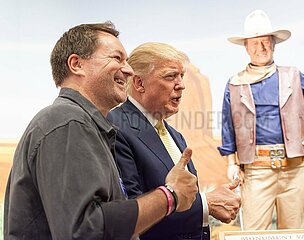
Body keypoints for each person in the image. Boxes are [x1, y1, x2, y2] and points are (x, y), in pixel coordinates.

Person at [3, 22, 199, 240]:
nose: (128, 69)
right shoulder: (68, 122)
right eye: (117, 58)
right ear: (76, 64)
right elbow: (85, 230)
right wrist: (169, 196)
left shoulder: (82, 124)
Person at [107, 42, 241, 240]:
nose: (182, 85)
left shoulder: (175, 135)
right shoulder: (116, 126)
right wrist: (206, 204)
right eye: (170, 76)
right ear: (139, 83)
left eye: (182, 76)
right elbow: (132, 213)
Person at [218, 10, 304, 230]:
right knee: (254, 232)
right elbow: (228, 124)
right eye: (255, 43)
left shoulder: (293, 76)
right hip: (257, 170)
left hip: (294, 168)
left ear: (274, 44)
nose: (261, 48)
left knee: (292, 232)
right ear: (246, 47)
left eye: (266, 42)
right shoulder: (235, 83)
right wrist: (230, 162)